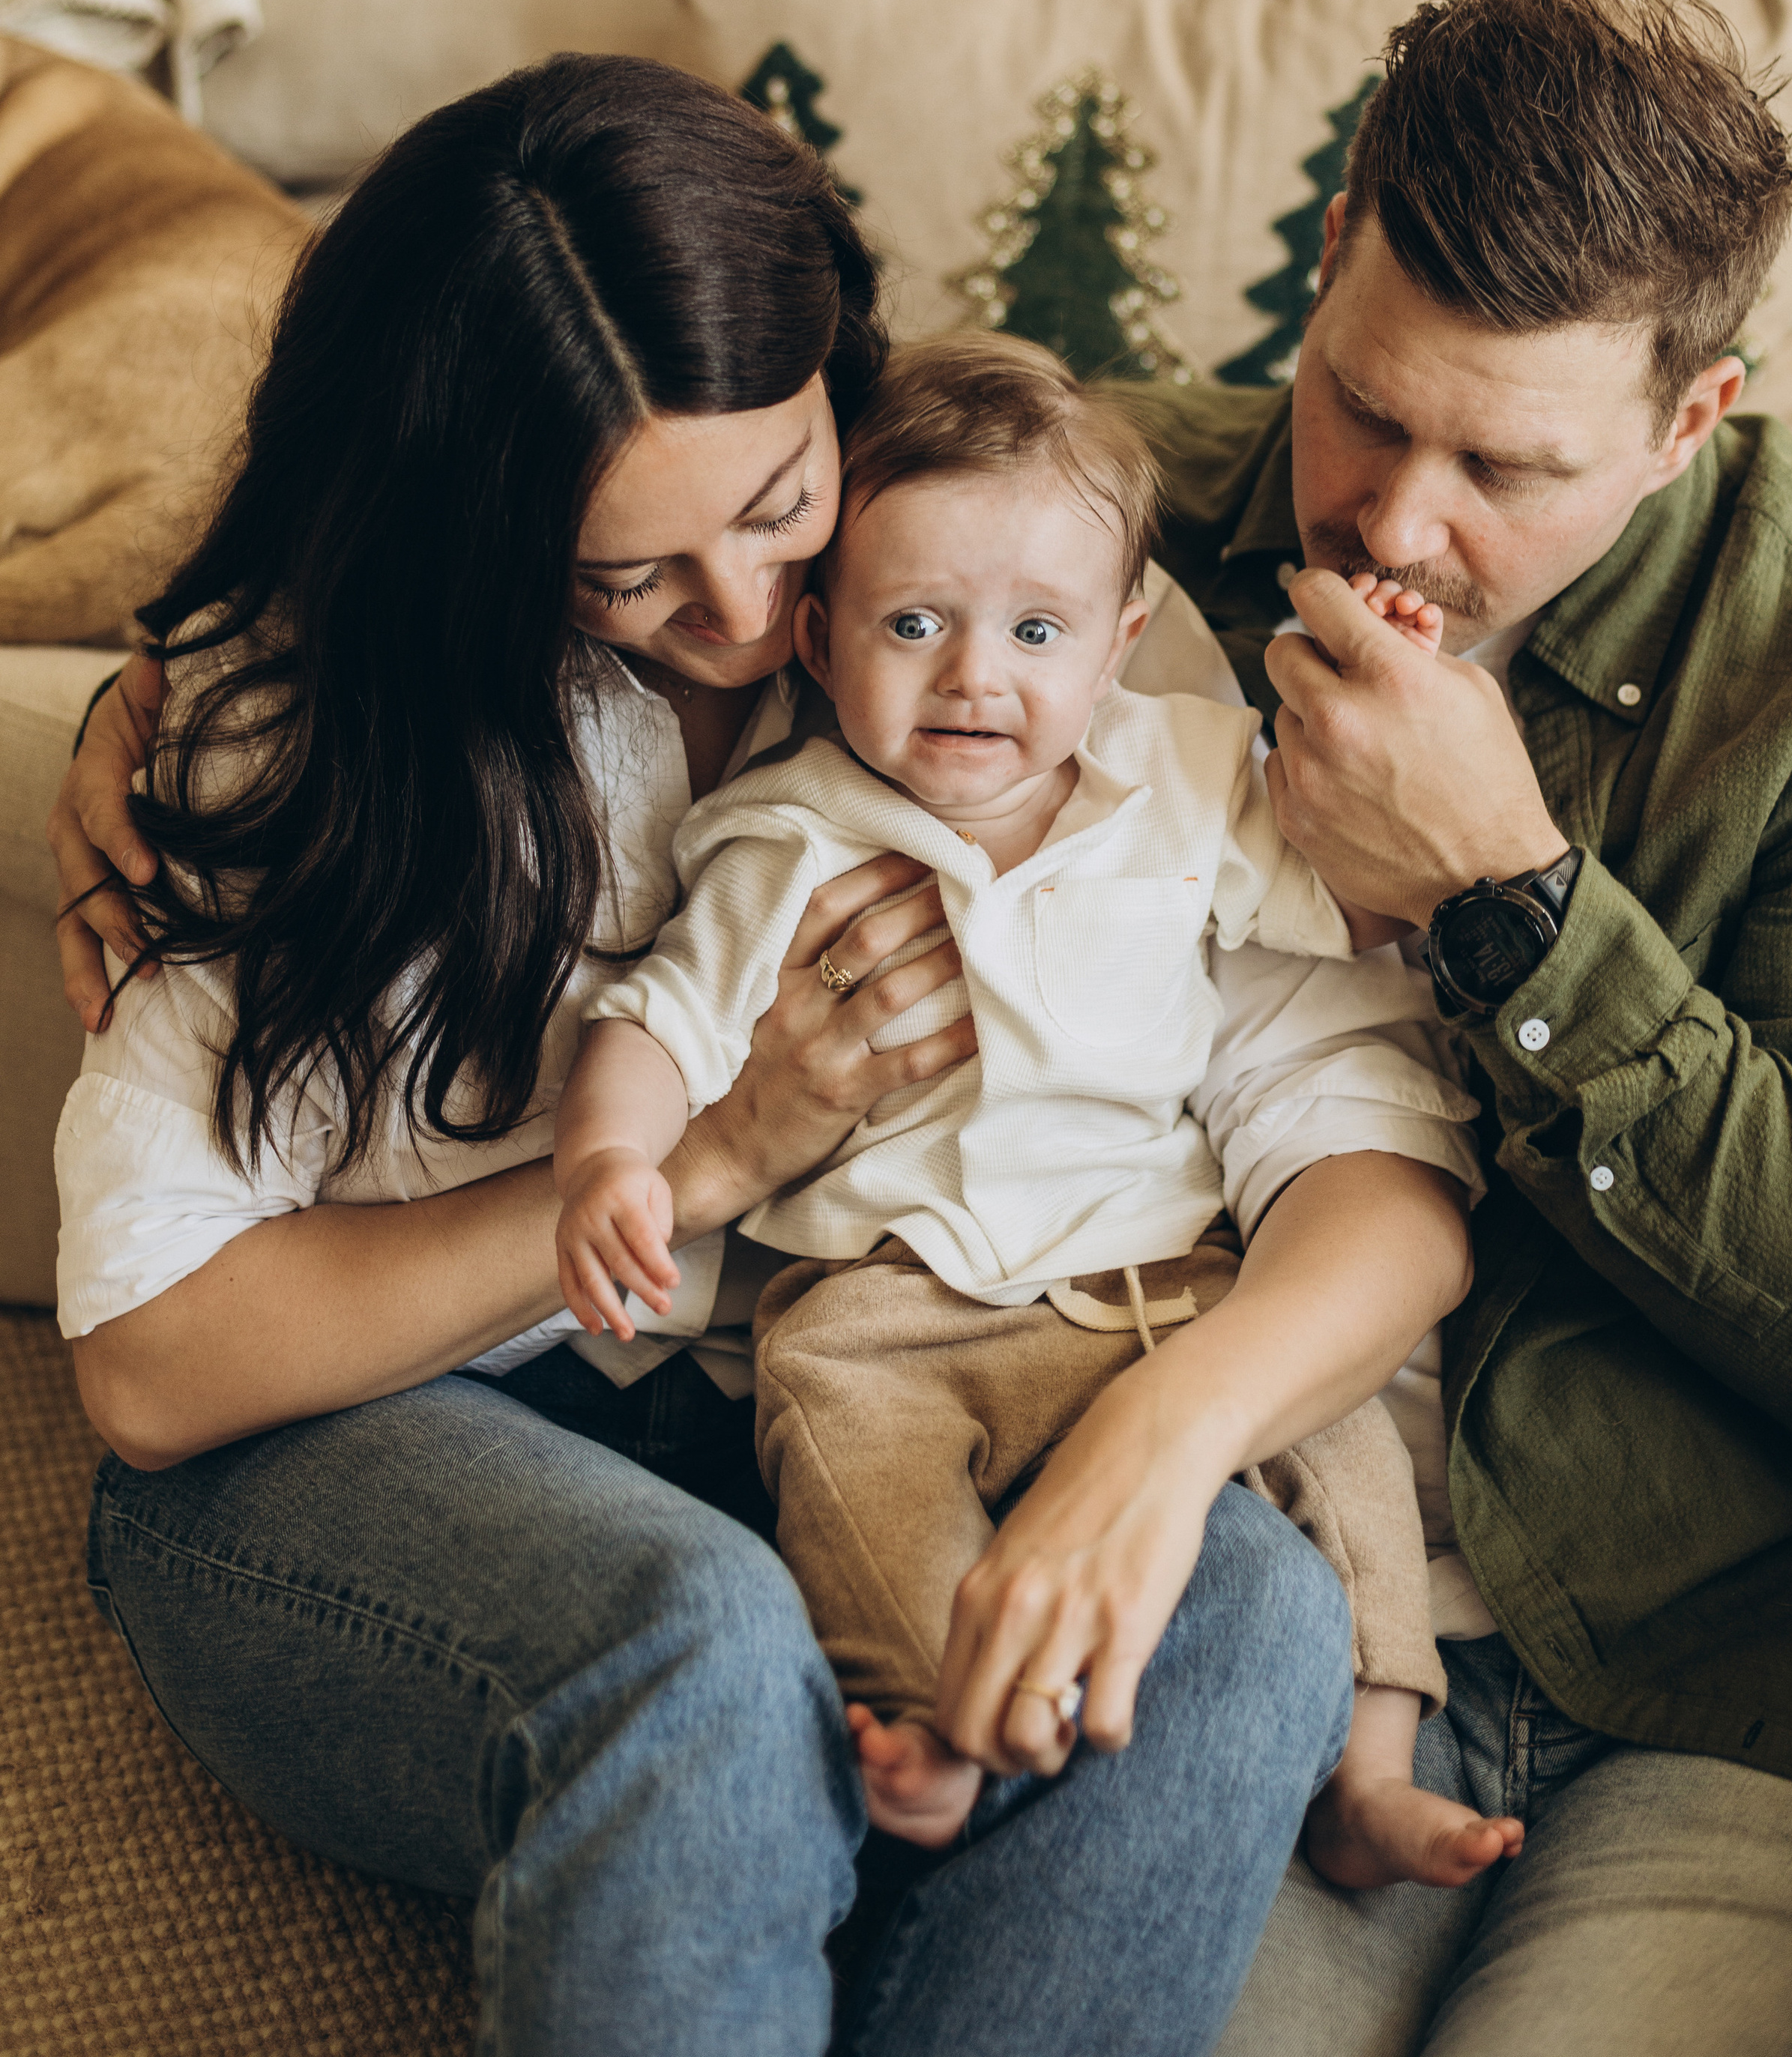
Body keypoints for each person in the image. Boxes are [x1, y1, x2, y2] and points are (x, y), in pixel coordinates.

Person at [44, 54, 1476, 2057]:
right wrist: (711, 1151)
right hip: (341, 1454)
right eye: (626, 574)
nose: (744, 614)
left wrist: (1157, 1455)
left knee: (1230, 1617)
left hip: (792, 1411)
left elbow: (1335, 1109)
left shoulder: (1020, 587)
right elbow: (150, 1367)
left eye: (781, 507)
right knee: (701, 1656)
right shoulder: (307, 735)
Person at [1123, 0, 1792, 2057]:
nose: (1397, 524)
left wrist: (1519, 912)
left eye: (1508, 464)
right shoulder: (1085, 528)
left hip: (1742, 1698)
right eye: (1367, 405)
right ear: (1322, 267)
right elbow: (631, 510)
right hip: (1282, 1626)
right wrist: (185, 716)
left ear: (1691, 421)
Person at [555, 330, 1506, 1883]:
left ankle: (1369, 1763)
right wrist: (610, 1157)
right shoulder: (788, 831)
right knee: (844, 1465)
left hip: (1171, 1291)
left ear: (1122, 638)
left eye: (1036, 630)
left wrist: (1393, 686)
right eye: (912, 623)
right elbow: (653, 1017)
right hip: (884, 1302)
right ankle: (919, 1718)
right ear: (816, 638)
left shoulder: (1188, 780)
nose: (973, 677)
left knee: (1339, 1427)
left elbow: (1366, 903)